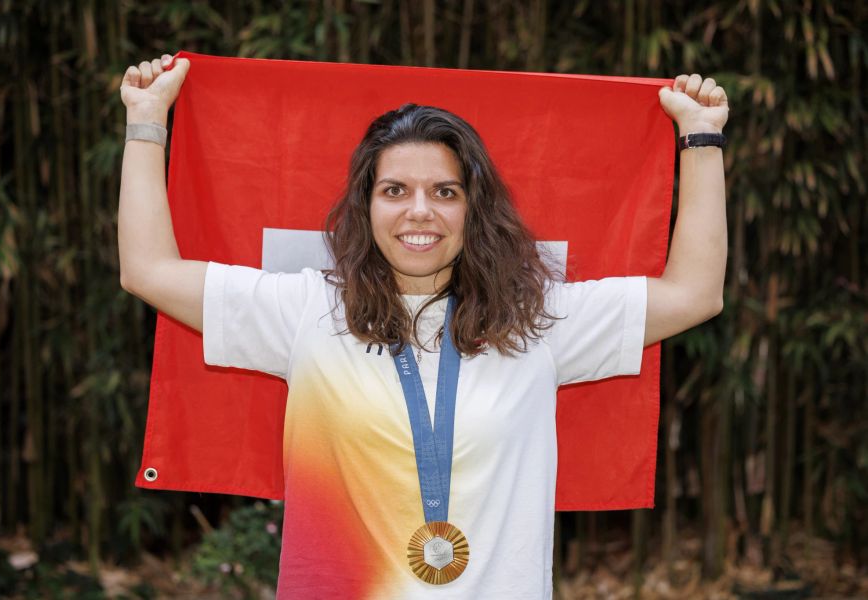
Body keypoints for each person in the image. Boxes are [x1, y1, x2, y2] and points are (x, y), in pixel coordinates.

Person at [118, 53, 728, 599]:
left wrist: (701, 140)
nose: (419, 211)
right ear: (366, 206)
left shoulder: (539, 320)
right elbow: (147, 270)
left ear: (474, 207)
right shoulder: (309, 310)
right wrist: (147, 123)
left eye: (444, 191)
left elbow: (693, 294)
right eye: (395, 190)